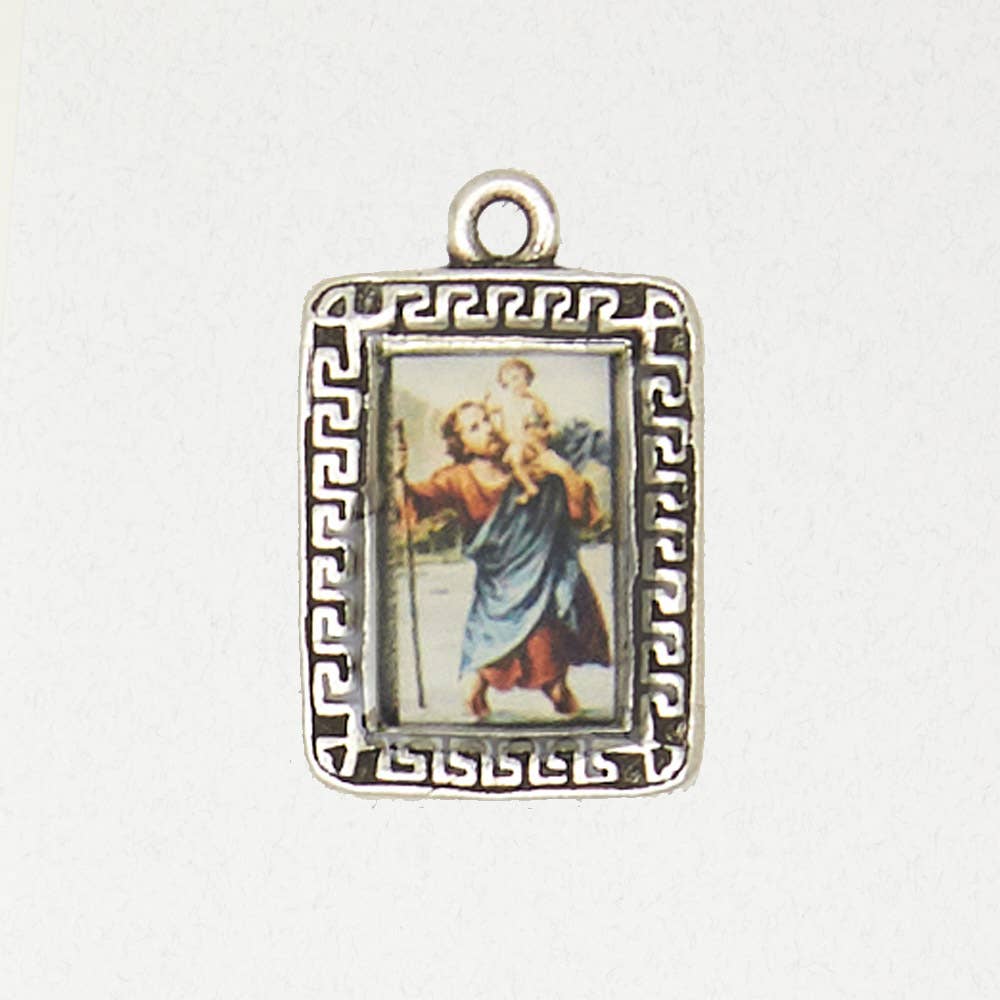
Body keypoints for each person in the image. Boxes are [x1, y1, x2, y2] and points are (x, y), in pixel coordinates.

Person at [395, 399, 610, 720]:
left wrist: (563, 470)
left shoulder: (532, 465)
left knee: (556, 688)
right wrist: (398, 476)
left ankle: (586, 738)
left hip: (542, 594)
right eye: (474, 427)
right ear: (461, 443)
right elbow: (415, 504)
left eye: (487, 419)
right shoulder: (458, 479)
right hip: (496, 600)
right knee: (476, 692)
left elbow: (583, 514)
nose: (488, 429)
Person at [484, 357, 555, 504]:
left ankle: (530, 487)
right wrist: (488, 400)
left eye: (520, 378)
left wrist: (542, 429)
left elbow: (538, 422)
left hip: (524, 440)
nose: (516, 384)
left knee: (517, 459)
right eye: (510, 380)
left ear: (527, 381)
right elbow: (490, 408)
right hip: (513, 441)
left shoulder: (530, 403)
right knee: (514, 462)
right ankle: (529, 487)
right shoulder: (504, 400)